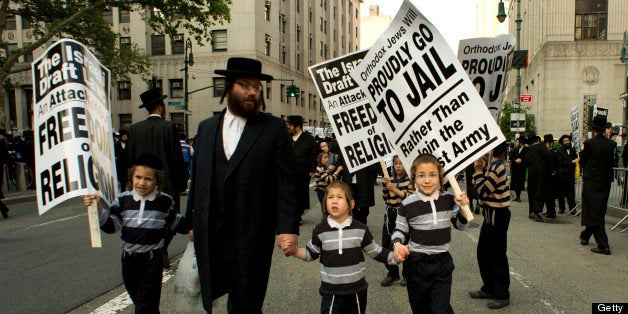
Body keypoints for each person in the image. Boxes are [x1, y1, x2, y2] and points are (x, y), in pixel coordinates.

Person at [185, 57, 301, 312]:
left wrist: (287, 228)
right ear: (228, 86)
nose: (252, 92)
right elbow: (199, 179)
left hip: (252, 233)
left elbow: (286, 184)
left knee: (246, 302)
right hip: (212, 232)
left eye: (257, 87)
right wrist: (191, 220)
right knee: (210, 296)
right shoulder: (206, 128)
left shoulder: (273, 128)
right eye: (244, 85)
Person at [83, 153, 189, 313]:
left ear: (157, 181)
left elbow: (178, 223)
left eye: (148, 179)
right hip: (128, 262)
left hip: (152, 263)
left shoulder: (164, 201)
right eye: (138, 177)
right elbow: (112, 226)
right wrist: (97, 208)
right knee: (144, 305)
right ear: (131, 177)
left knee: (144, 307)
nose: (142, 183)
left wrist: (195, 227)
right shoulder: (122, 200)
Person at [287, 181, 401, 313]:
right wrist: (294, 251)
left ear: (351, 204)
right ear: (325, 202)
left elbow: (375, 251)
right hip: (330, 292)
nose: (334, 201)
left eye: (340, 197)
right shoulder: (320, 230)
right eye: (330, 197)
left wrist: (395, 257)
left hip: (356, 292)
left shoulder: (360, 229)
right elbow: (310, 253)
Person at [391, 154, 469, 313]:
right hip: (416, 265)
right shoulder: (407, 204)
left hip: (442, 264)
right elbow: (399, 229)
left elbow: (460, 225)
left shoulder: (448, 199)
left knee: (440, 308)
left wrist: (462, 209)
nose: (427, 180)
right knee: (421, 308)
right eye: (421, 175)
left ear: (441, 177)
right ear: (413, 178)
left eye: (432, 175)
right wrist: (397, 244)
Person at [127, 87, 188, 267]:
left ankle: (152, 250)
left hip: (141, 184)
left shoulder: (135, 129)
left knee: (146, 218)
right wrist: (181, 183)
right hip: (165, 184)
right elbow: (176, 158)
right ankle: (160, 248)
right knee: (169, 219)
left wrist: (132, 183)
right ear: (160, 106)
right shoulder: (169, 127)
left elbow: (129, 159)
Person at [469, 143, 511, 310]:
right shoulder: (490, 167)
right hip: (489, 214)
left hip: (497, 214)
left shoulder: (496, 167)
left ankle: (502, 294)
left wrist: (478, 171)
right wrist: (479, 172)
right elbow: (476, 185)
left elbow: (483, 191)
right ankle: (489, 288)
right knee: (483, 253)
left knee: (497, 255)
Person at [579, 115, 615, 255]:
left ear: (593, 128)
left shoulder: (590, 144)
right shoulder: (611, 145)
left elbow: (583, 161)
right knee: (597, 210)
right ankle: (586, 235)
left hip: (592, 182)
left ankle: (603, 245)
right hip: (605, 183)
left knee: (593, 212)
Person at [380, 155, 414, 287]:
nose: (398, 166)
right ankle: (392, 273)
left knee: (404, 244)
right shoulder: (391, 179)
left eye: (400, 163)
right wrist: (385, 187)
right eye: (395, 163)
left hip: (404, 215)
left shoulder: (410, 181)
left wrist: (394, 189)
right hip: (390, 214)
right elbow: (385, 198)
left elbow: (409, 198)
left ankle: (407, 274)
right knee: (386, 244)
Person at [286, 115, 317, 219]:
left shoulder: (309, 139)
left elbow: (313, 156)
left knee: (300, 193)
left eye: (290, 125)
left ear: (297, 126)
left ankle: (298, 213)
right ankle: (292, 213)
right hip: (288, 171)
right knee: (289, 193)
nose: (288, 127)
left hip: (303, 172)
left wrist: (313, 169)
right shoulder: (286, 138)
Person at [522, 134, 551, 222]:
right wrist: (552, 169)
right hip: (541, 172)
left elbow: (525, 161)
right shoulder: (541, 146)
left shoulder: (528, 149)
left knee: (531, 191)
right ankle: (536, 211)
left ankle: (531, 211)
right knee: (539, 191)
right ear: (538, 141)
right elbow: (548, 157)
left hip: (531, 173)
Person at [313, 151, 343, 219]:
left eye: (327, 157)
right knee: (325, 209)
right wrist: (337, 171)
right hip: (321, 192)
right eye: (325, 158)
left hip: (324, 191)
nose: (327, 159)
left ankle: (327, 221)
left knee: (327, 207)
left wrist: (328, 170)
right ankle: (325, 223)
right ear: (319, 159)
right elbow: (329, 179)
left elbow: (323, 176)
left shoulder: (323, 167)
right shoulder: (320, 168)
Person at [556, 134, 578, 213]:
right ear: (562, 142)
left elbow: (576, 160)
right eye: (565, 141)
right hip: (562, 174)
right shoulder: (559, 151)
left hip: (570, 174)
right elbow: (561, 162)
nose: (567, 142)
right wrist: (571, 162)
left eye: (568, 140)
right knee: (561, 192)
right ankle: (562, 208)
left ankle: (572, 209)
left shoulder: (572, 150)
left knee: (571, 193)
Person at [543, 134, 559, 218]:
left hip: (551, 177)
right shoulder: (551, 152)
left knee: (549, 196)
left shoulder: (552, 152)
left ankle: (551, 212)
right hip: (549, 177)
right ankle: (549, 211)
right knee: (548, 196)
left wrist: (554, 171)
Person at [509, 136, 528, 202]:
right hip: (515, 168)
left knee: (520, 183)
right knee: (515, 183)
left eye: (518, 142)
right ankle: (517, 196)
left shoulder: (526, 149)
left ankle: (518, 196)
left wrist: (521, 160)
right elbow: (511, 157)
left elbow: (527, 158)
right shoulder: (515, 149)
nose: (517, 143)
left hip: (521, 169)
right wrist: (515, 160)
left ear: (521, 143)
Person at [0, 129, 10, 218]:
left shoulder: (2, 143)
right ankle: (3, 208)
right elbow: (6, 156)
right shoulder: (3, 143)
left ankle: (3, 209)